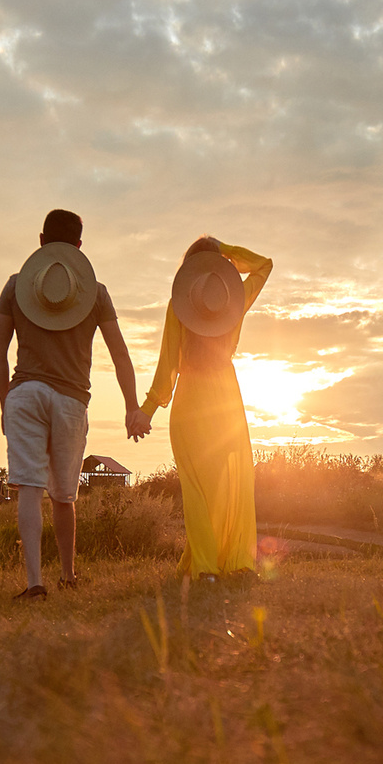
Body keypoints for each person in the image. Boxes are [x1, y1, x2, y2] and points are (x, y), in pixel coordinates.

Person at [0, 209, 151, 599]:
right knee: (63, 495)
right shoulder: (95, 293)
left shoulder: (16, 286)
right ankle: (68, 574)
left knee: (29, 489)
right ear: (80, 247)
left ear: (41, 241)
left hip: (25, 394)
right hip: (70, 401)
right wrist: (132, 406)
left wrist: (4, 403)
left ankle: (34, 583)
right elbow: (121, 355)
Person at [141, 236, 273, 579]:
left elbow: (167, 366)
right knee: (230, 483)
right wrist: (226, 253)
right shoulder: (234, 300)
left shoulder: (179, 306)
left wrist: (146, 410)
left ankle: (205, 566)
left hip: (191, 400)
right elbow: (263, 265)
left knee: (197, 489)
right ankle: (233, 561)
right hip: (225, 397)